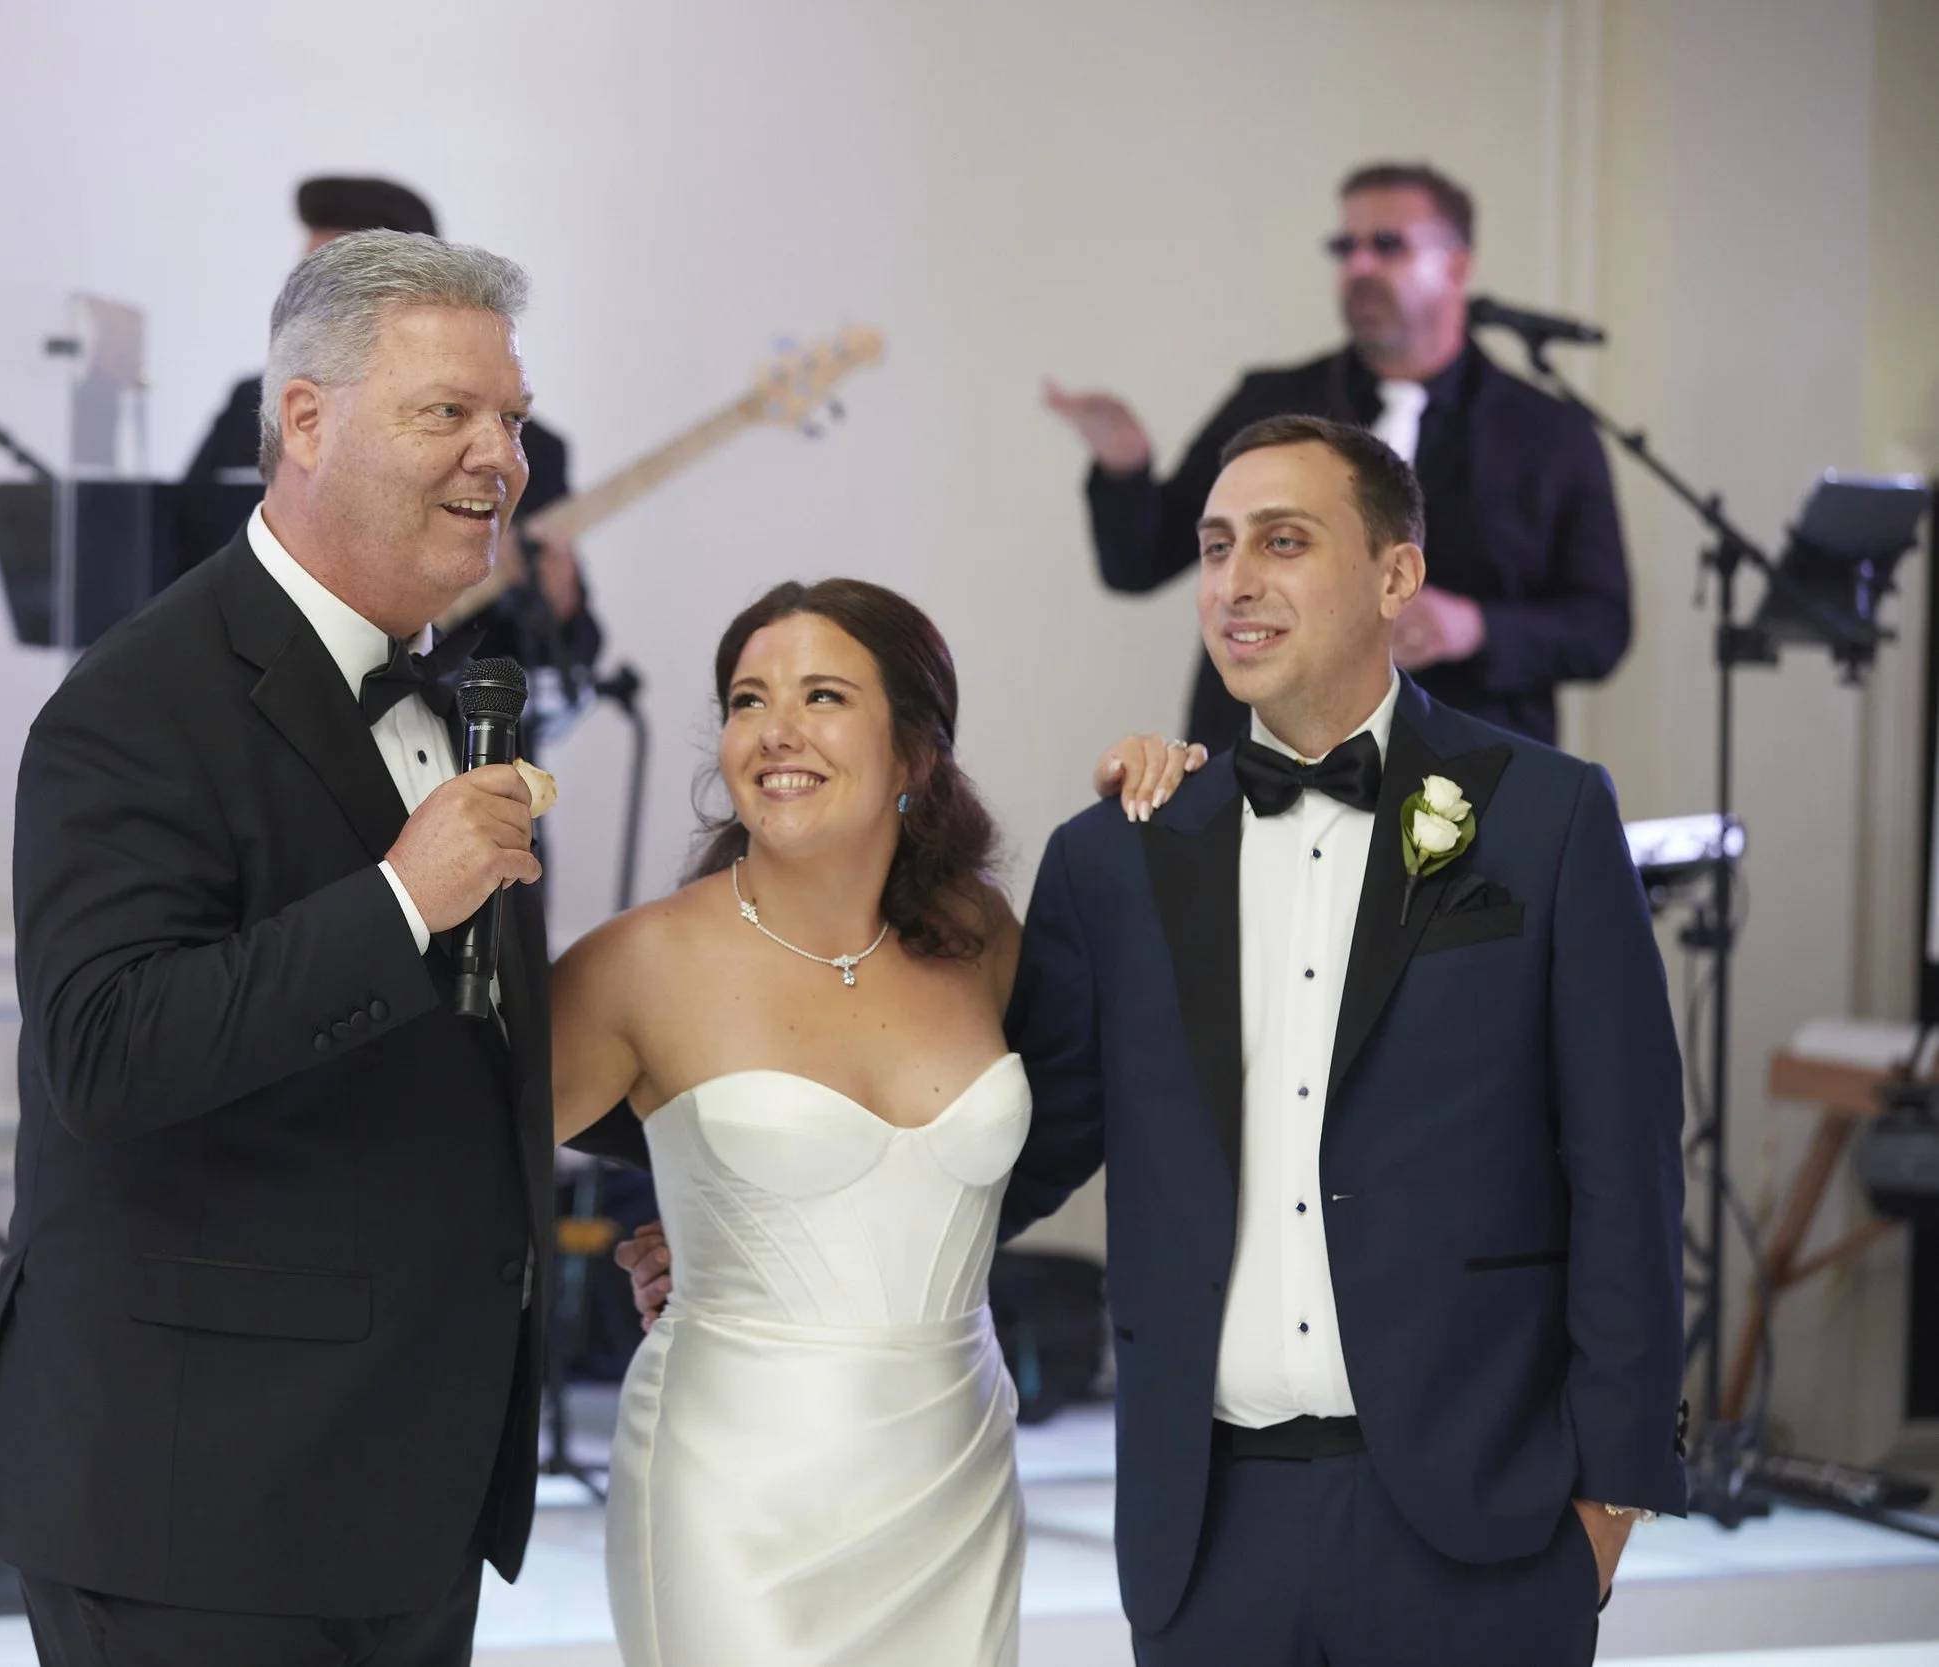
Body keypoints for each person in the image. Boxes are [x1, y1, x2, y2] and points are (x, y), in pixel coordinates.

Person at [623, 418, 1685, 1662]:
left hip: (1479, 1515)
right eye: (1215, 546)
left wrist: (1612, 1493)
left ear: (1397, 576)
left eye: (1283, 543)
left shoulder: (1546, 816)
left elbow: (1626, 1168)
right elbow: (1017, 1137)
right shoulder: (1114, 856)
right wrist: (749, 1237)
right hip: (1205, 1529)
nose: (1235, 581)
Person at [0, 229, 636, 1666]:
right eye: (447, 412)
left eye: (508, 417)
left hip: (402, 1480)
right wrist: (397, 897)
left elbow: (468, 1047)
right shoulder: (136, 702)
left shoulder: (456, 697)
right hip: (195, 1495)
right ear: (307, 420)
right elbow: (108, 1050)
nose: (500, 456)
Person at [551, 579, 1035, 1664]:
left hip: (955, 1459)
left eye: (822, 695)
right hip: (733, 1485)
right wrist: (704, 1215)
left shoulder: (979, 935)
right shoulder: (643, 961)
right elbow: (446, 1150)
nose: (774, 730)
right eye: (744, 699)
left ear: (915, 751)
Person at [1045, 161, 1631, 753]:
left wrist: (1476, 629)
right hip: (1264, 769)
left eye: (1386, 245)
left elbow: (1603, 627)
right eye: (1345, 247)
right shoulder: (1271, 402)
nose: (1358, 267)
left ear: (1457, 265)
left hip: (1470, 775)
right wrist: (1126, 465)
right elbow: (1138, 563)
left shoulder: (1549, 431)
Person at [179, 175, 603, 685]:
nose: (497, 451)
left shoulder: (527, 452)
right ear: (303, 421)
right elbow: (179, 551)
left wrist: (553, 600)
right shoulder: (249, 408)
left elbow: (576, 644)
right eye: (305, 283)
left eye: (337, 292)